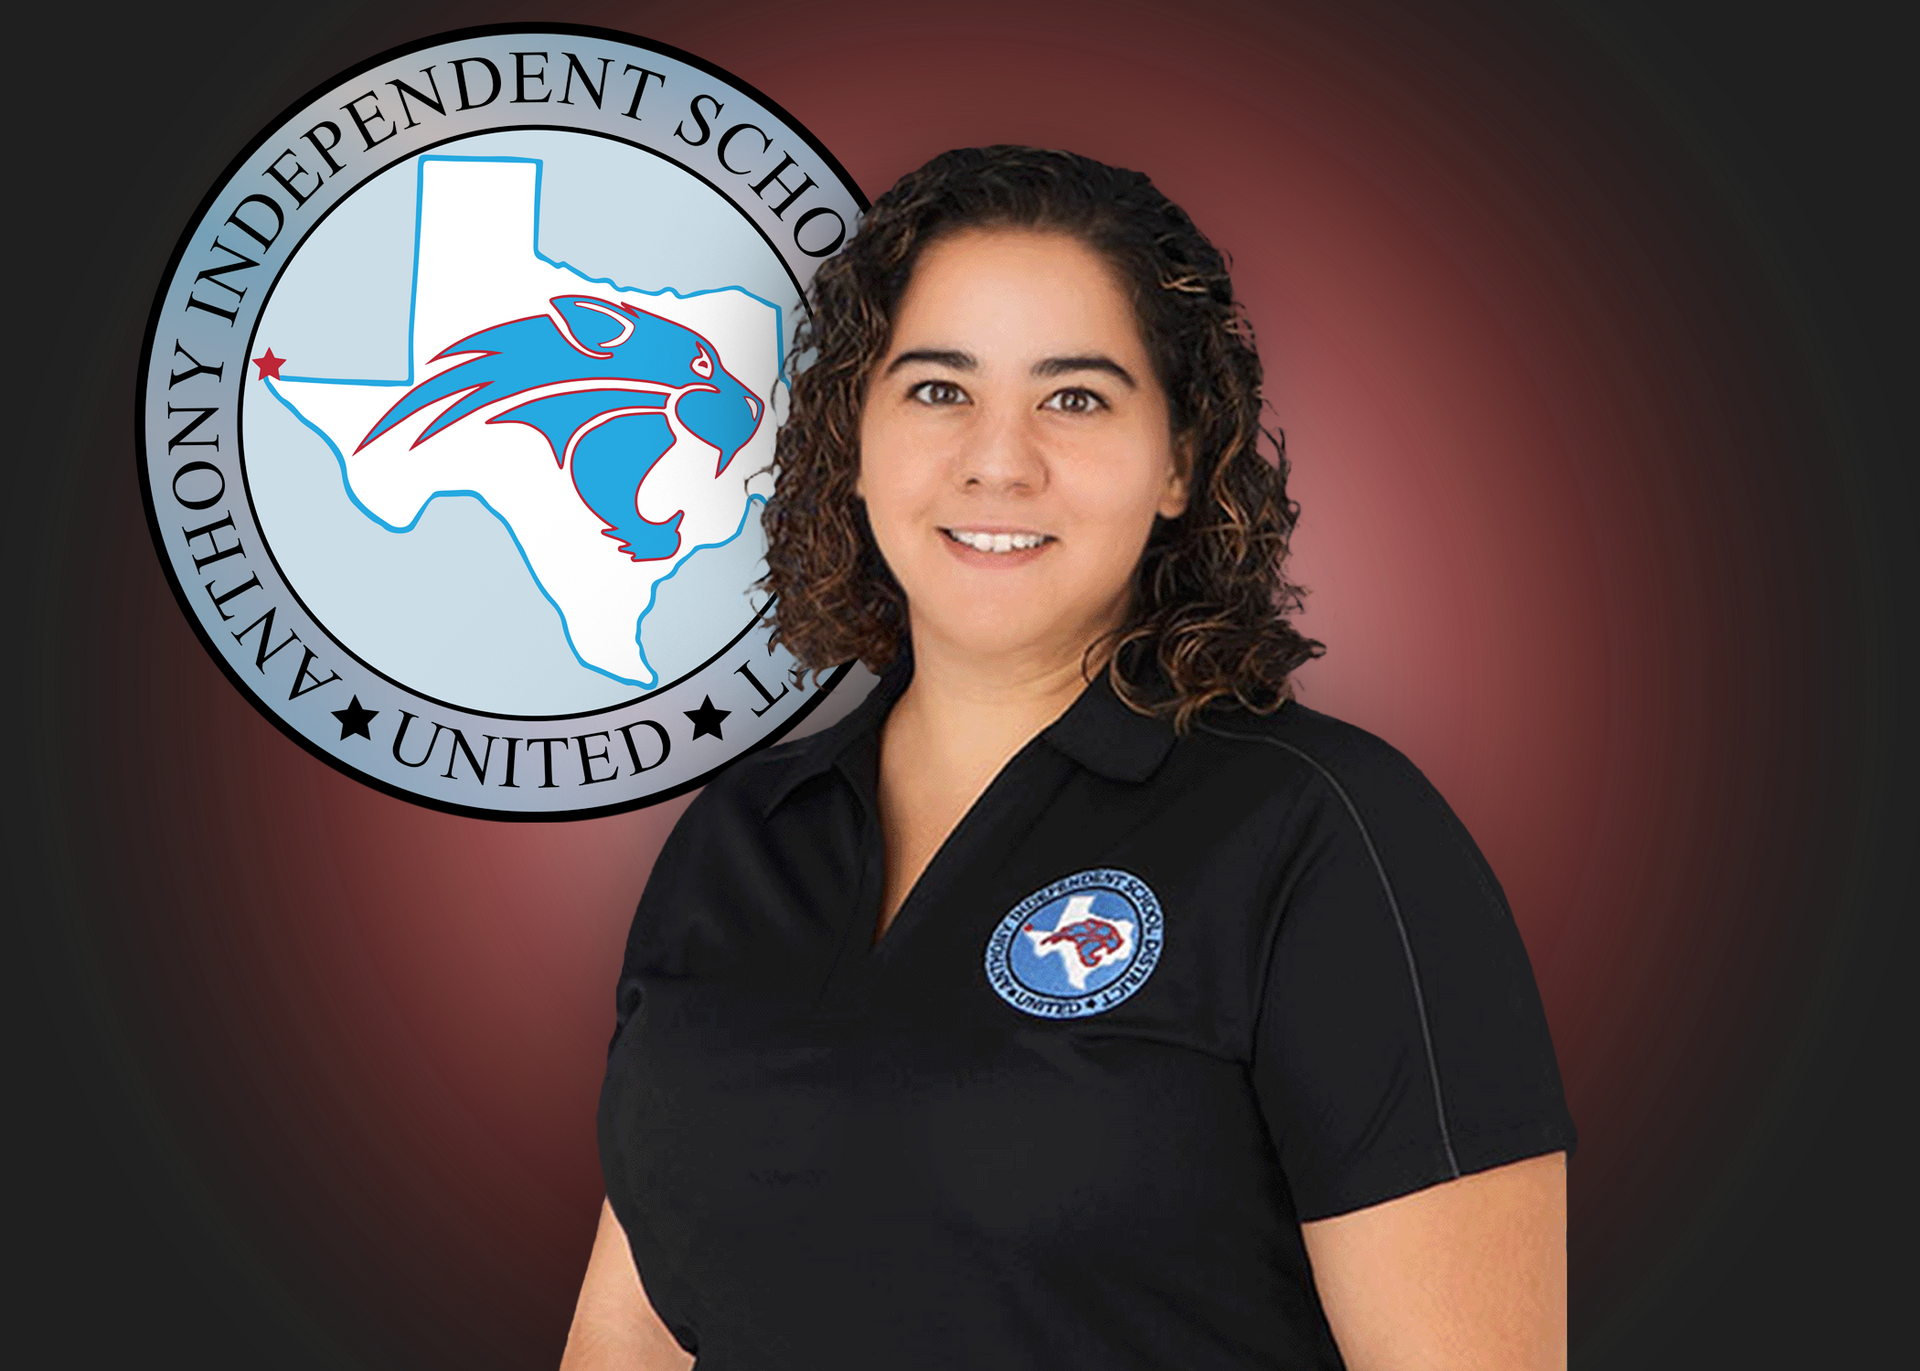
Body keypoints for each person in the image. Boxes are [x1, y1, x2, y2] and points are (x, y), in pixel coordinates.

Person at [562, 146, 1575, 1370]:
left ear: (1181, 461)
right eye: (939, 390)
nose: (1000, 459)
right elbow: (630, 1337)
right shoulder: (739, 838)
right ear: (854, 437)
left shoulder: (1329, 837)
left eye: (1076, 397)